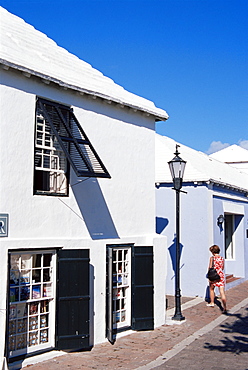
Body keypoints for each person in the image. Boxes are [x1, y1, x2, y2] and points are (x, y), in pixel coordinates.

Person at [207, 244, 227, 313]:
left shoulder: (212, 258)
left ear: (212, 252)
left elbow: (210, 267)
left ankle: (212, 302)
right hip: (221, 275)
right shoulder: (222, 258)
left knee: (212, 289)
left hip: (214, 275)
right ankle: (224, 308)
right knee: (222, 292)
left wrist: (209, 275)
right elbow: (222, 267)